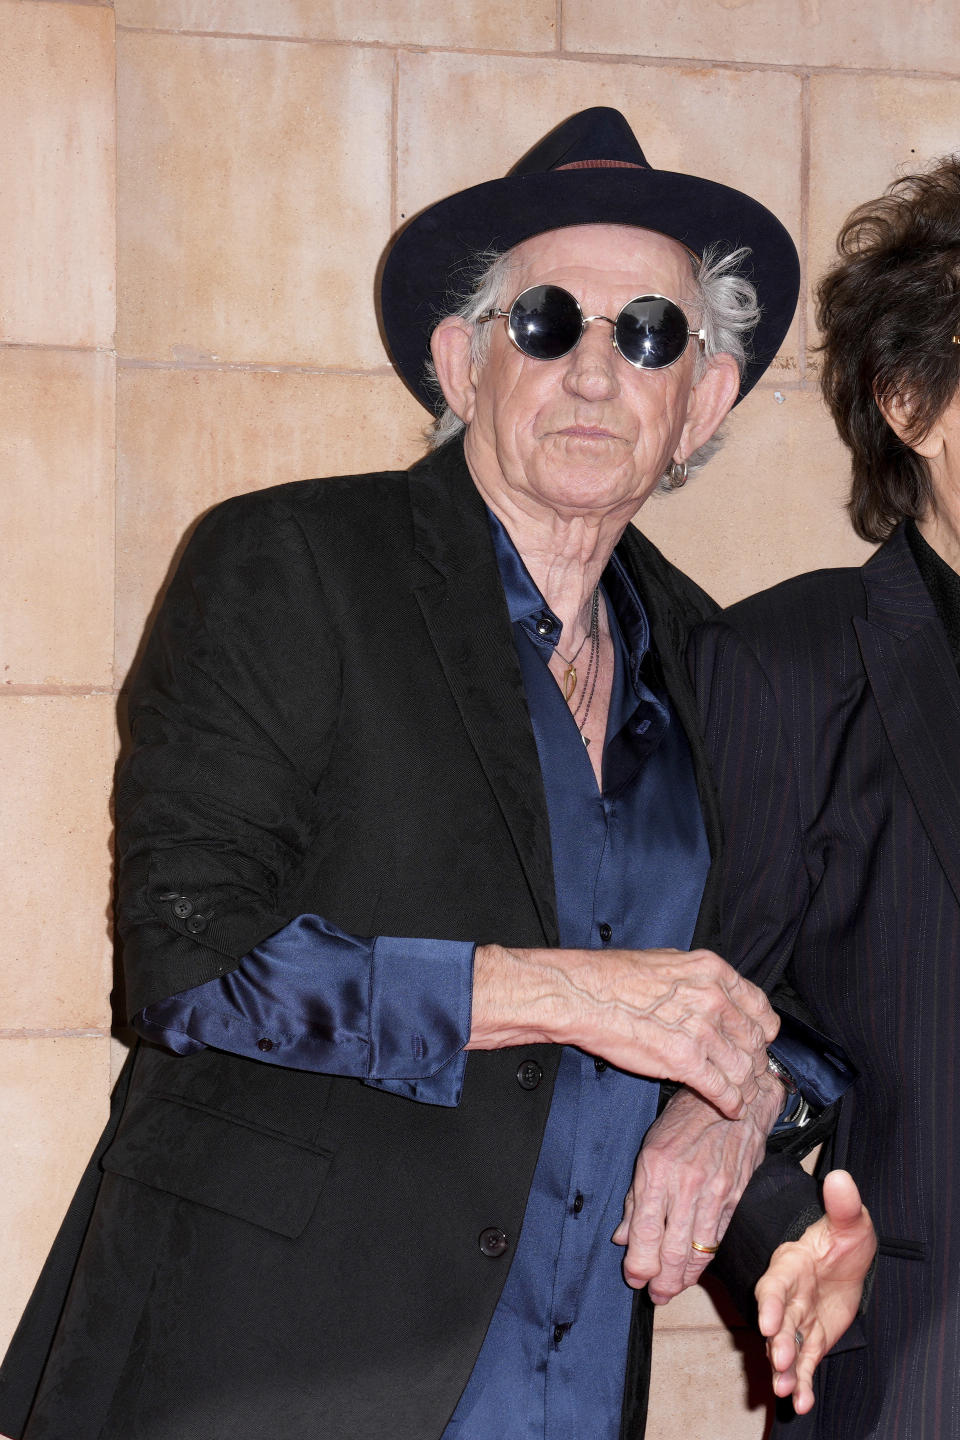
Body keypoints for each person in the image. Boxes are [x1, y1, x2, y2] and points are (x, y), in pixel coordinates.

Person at [0, 107, 873, 1440]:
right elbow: (186, 962)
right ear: (462, 362)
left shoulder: (719, 661)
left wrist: (739, 1113)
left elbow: (784, 998)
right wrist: (575, 995)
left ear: (702, 397)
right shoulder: (292, 564)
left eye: (649, 334)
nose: (595, 372)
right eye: (547, 324)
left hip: (570, 1391)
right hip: (265, 1374)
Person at [687, 155, 960, 1437]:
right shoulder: (789, 666)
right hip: (918, 1365)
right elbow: (718, 1021)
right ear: (909, 400)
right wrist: (789, 1229)